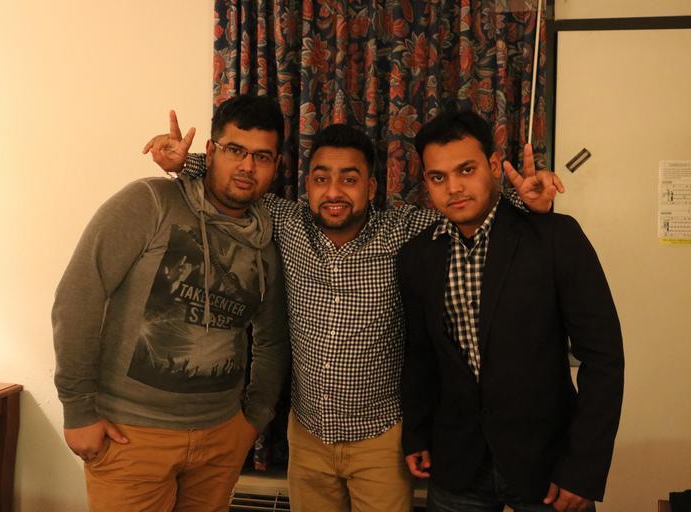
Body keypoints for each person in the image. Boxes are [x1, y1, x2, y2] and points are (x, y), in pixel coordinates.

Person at [143, 110, 562, 512]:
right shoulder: (286, 222)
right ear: (307, 184)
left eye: (349, 179)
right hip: (307, 436)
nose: (333, 192)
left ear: (372, 187)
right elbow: (239, 183)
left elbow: (467, 207)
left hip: (381, 440)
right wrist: (185, 163)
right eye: (321, 179)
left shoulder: (403, 231)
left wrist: (523, 198)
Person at [52, 95, 290, 512]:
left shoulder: (267, 242)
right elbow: (79, 296)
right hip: (133, 435)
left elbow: (272, 339)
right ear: (210, 151)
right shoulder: (149, 202)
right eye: (235, 150)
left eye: (262, 156)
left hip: (220, 436)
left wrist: (253, 420)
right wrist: (78, 409)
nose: (247, 167)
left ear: (276, 165)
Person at [398, 110, 624, 512]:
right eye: (438, 177)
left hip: (547, 462)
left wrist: (584, 466)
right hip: (458, 461)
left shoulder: (555, 238)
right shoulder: (418, 255)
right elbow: (421, 355)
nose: (454, 187)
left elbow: (603, 358)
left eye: (466, 169)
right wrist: (416, 433)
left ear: (492, 164)